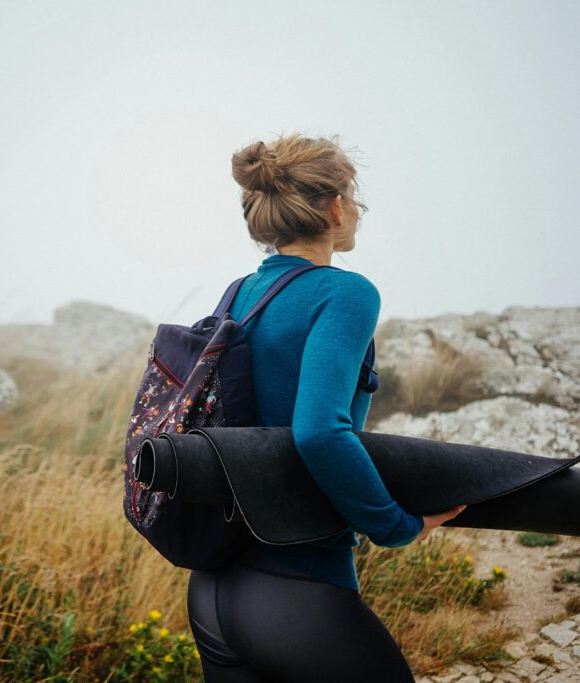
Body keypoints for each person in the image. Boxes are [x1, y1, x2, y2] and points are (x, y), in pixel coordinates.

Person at [186, 133, 466, 682]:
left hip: (214, 589)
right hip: (298, 590)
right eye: (354, 197)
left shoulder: (239, 293)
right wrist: (396, 526)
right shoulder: (345, 293)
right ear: (336, 207)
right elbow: (319, 433)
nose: (357, 211)